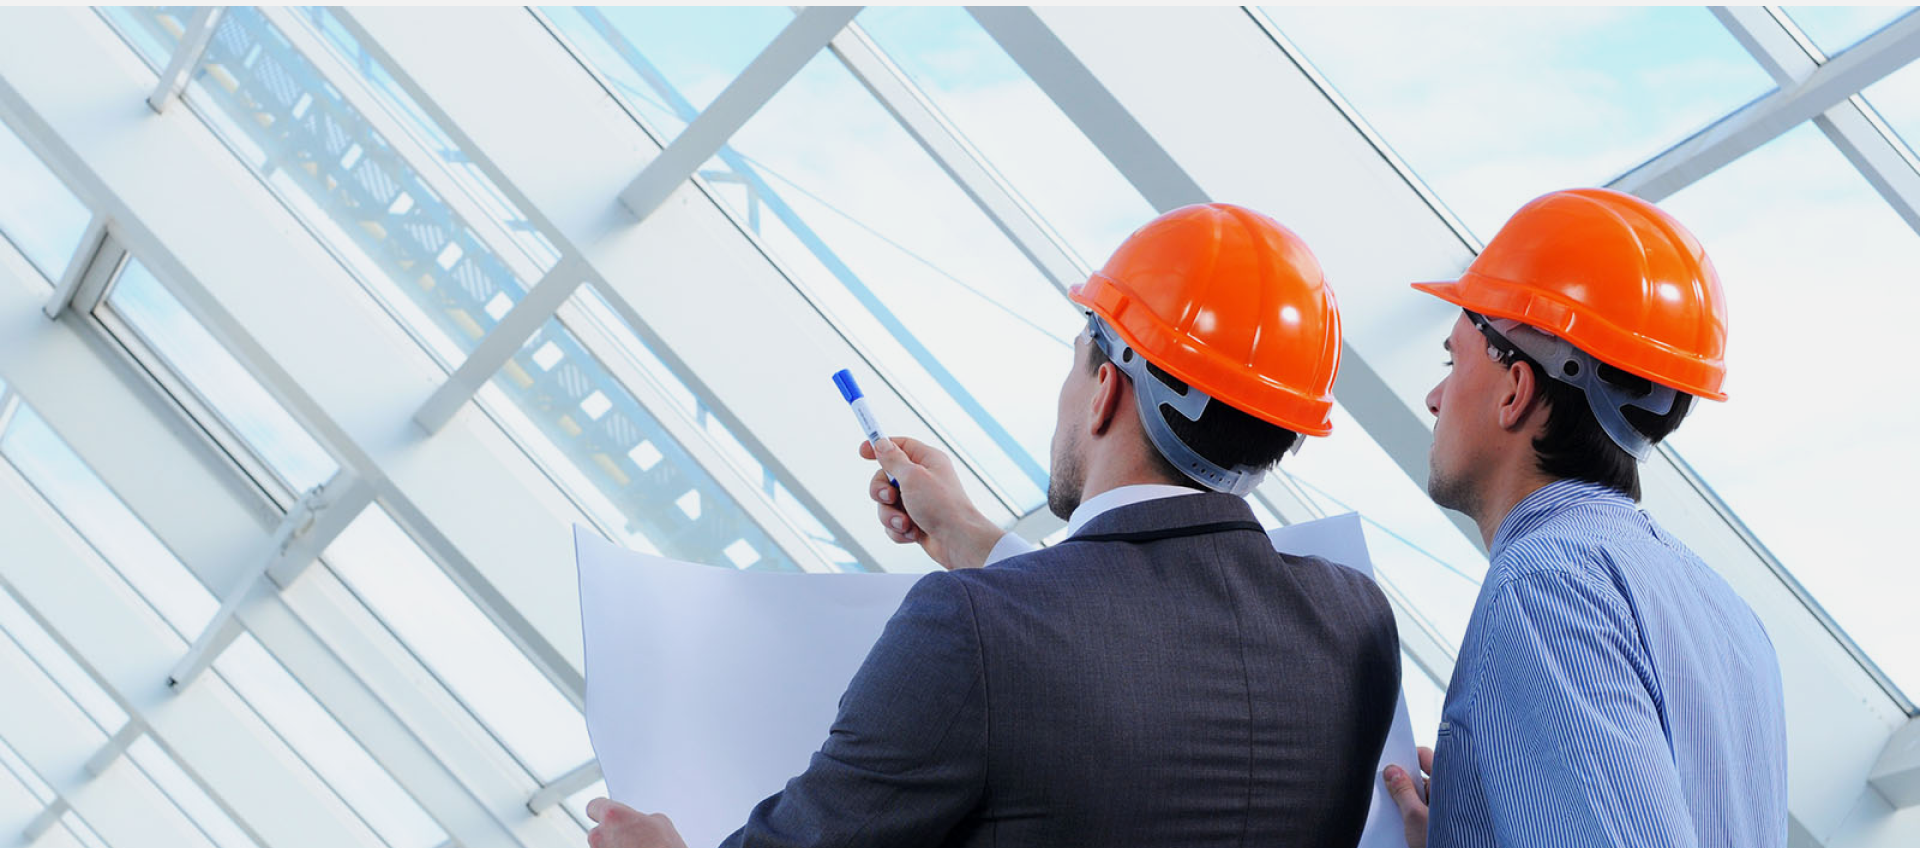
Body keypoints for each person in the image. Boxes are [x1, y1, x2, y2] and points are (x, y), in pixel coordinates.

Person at [586, 203, 1401, 847]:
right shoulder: (1353, 622)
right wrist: (973, 540)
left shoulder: (971, 632)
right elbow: (1132, 643)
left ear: (1107, 387)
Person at [1381, 188, 1788, 848]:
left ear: (1515, 390)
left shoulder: (1548, 589)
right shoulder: (1727, 613)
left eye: (1453, 361)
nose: (1434, 397)